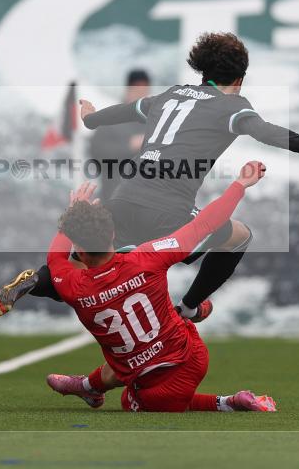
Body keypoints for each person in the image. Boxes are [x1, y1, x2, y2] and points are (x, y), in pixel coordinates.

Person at [0, 32, 299, 322]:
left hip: (123, 199)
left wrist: (90, 118)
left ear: (203, 71)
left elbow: (126, 111)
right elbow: (266, 132)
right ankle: (191, 307)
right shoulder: (233, 107)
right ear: (239, 78)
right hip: (169, 213)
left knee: (87, 264)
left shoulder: (171, 95)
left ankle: (36, 280)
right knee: (239, 237)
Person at [41, 164, 276, 412]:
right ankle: (89, 386)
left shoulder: (70, 284)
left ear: (77, 250)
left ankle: (228, 402)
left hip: (152, 373)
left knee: (130, 396)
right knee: (133, 352)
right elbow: (204, 225)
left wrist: (72, 216)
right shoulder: (147, 256)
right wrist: (240, 184)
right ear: (112, 233)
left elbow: (54, 259)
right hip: (192, 354)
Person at [88, 69, 151, 200]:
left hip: (148, 202)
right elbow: (96, 152)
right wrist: (129, 147)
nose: (142, 95)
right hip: (114, 198)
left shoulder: (155, 121)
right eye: (137, 90)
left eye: (145, 91)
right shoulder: (111, 118)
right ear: (128, 89)